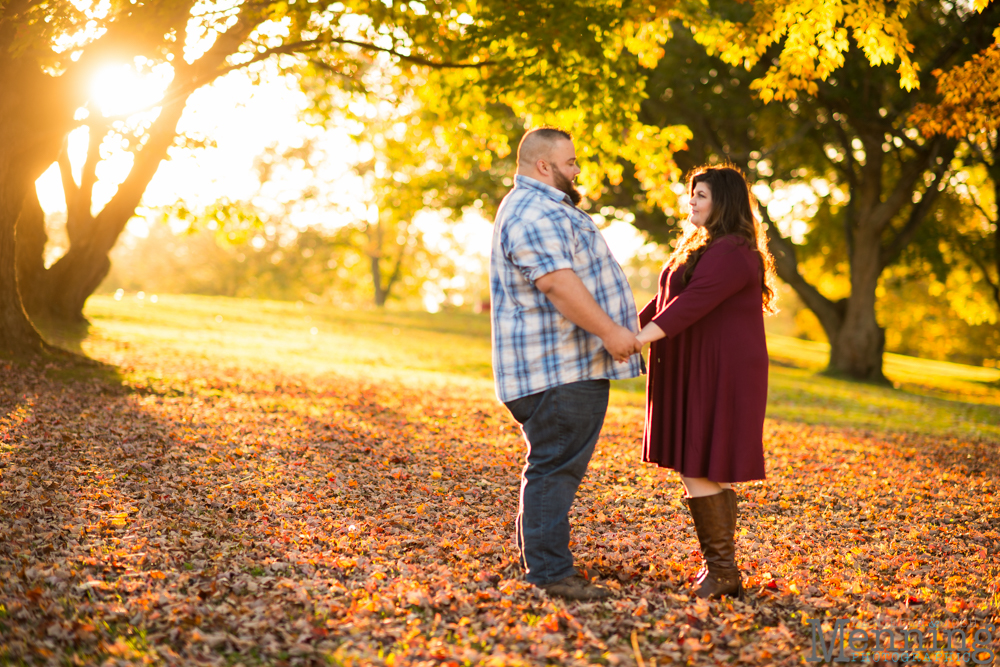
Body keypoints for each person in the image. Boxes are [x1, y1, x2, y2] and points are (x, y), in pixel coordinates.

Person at [490, 127, 644, 601]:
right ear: (544, 166)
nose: (577, 171)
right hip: (559, 370)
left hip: (563, 368)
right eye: (571, 162)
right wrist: (610, 331)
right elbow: (557, 282)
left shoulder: (541, 208)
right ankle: (551, 574)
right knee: (554, 469)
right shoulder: (534, 210)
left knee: (549, 466)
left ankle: (538, 560)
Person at [635, 164, 777, 600]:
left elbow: (693, 303)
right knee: (694, 462)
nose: (691, 201)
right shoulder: (701, 245)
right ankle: (721, 569)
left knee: (698, 462)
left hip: (722, 370)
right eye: (691, 193)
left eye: (701, 195)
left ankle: (723, 571)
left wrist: (636, 339)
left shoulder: (734, 250)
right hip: (693, 363)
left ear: (725, 202)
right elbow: (665, 302)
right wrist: (619, 331)